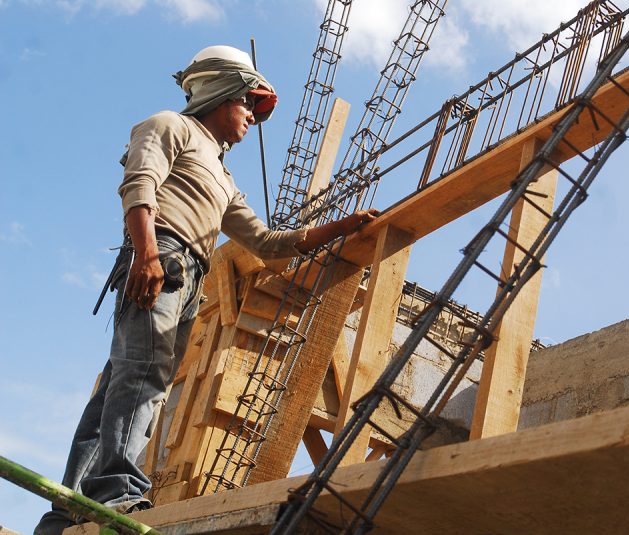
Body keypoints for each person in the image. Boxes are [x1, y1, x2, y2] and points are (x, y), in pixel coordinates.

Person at [34, 45, 378, 534]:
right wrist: (147, 254)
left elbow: (265, 242)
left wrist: (338, 228)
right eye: (248, 104)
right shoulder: (170, 126)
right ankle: (119, 491)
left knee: (121, 384)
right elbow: (139, 185)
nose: (252, 117)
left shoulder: (222, 175)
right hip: (161, 256)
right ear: (222, 92)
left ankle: (65, 510)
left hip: (191, 276)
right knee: (143, 375)